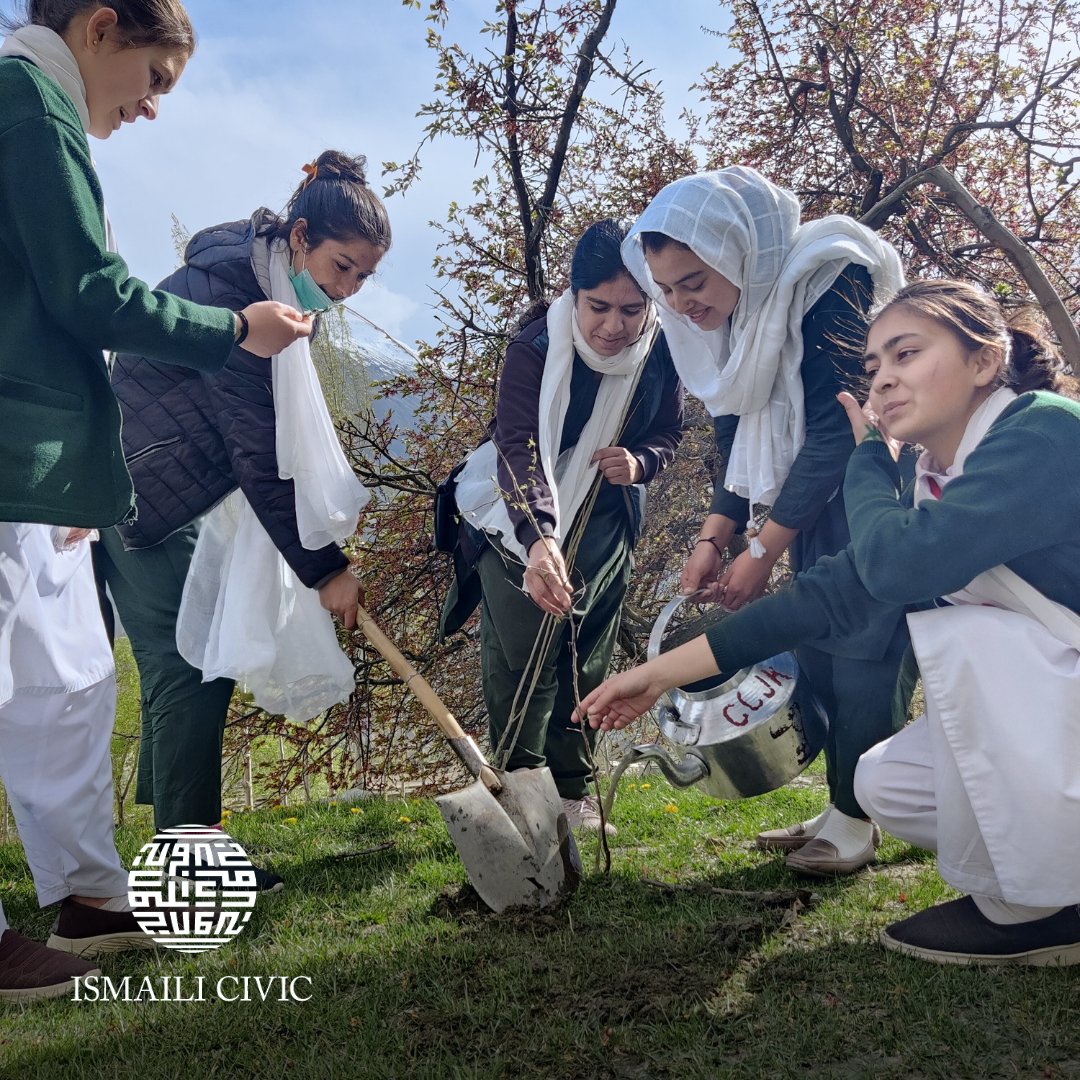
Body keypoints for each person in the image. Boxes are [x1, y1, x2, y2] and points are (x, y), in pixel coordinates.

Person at [576, 279, 1080, 966]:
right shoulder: (939, 475)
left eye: (907, 353)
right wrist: (656, 676)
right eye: (873, 368)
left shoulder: (1045, 430)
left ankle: (1033, 912)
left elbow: (893, 565)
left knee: (974, 641)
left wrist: (870, 455)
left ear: (984, 363)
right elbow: (829, 593)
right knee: (886, 785)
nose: (885, 381)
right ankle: (1058, 885)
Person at [0, 0, 310, 1003]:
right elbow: (88, 292)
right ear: (100, 28)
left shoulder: (41, 104)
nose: (153, 108)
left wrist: (80, 472)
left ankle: (89, 893)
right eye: (156, 77)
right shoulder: (22, 101)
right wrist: (234, 331)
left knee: (74, 677)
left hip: (38, 454)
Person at [97, 150, 390, 877]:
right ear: (299, 238)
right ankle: (188, 859)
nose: (348, 288)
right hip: (142, 496)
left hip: (179, 492)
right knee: (189, 667)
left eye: (364, 276)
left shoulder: (274, 291)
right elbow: (261, 452)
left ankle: (188, 835)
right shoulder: (231, 294)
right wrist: (326, 570)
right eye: (342, 266)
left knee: (198, 661)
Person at [620, 167, 910, 874]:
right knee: (820, 650)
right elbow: (737, 439)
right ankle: (846, 803)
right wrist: (714, 537)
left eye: (694, 280)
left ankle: (858, 817)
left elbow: (843, 427)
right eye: (667, 289)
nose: (682, 303)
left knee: (865, 652)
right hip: (808, 504)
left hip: (873, 495)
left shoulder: (821, 274)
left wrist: (762, 547)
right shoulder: (734, 324)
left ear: (736, 251)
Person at [442, 220, 684, 834]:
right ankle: (522, 794)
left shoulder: (660, 348)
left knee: (587, 657)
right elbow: (517, 446)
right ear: (572, 296)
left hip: (607, 522)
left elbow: (669, 433)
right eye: (598, 306)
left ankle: (574, 792)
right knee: (521, 661)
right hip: (514, 520)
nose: (613, 326)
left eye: (632, 308)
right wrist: (540, 538)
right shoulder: (534, 348)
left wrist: (641, 461)